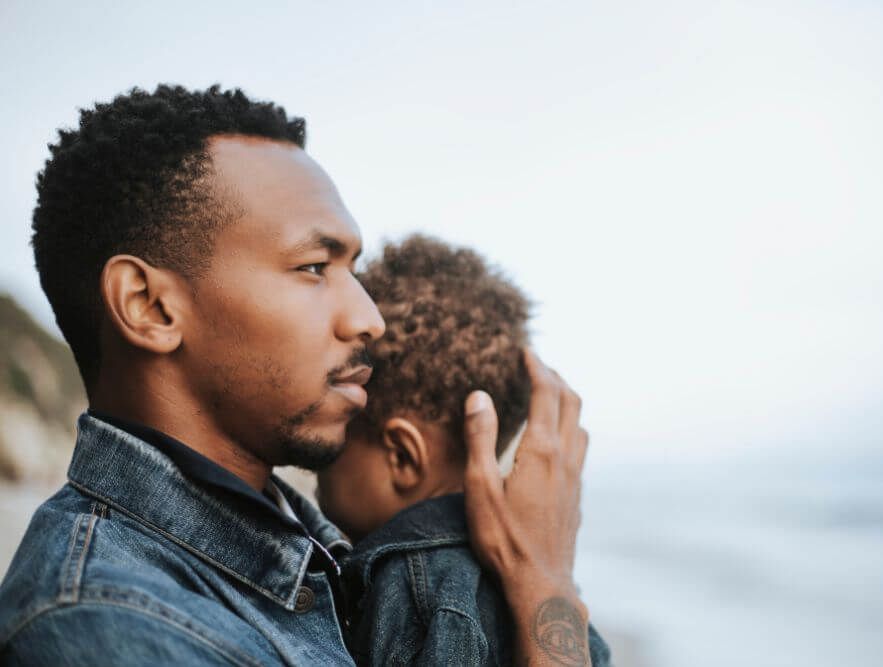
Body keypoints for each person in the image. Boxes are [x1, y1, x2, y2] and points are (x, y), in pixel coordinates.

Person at [0, 85, 592, 666]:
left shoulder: (317, 551)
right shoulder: (109, 625)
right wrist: (545, 587)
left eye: (353, 269)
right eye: (314, 267)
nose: (370, 318)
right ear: (150, 307)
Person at [316, 235, 610, 666]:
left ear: (403, 456)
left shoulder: (413, 586)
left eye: (342, 422)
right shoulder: (546, 590)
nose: (326, 451)